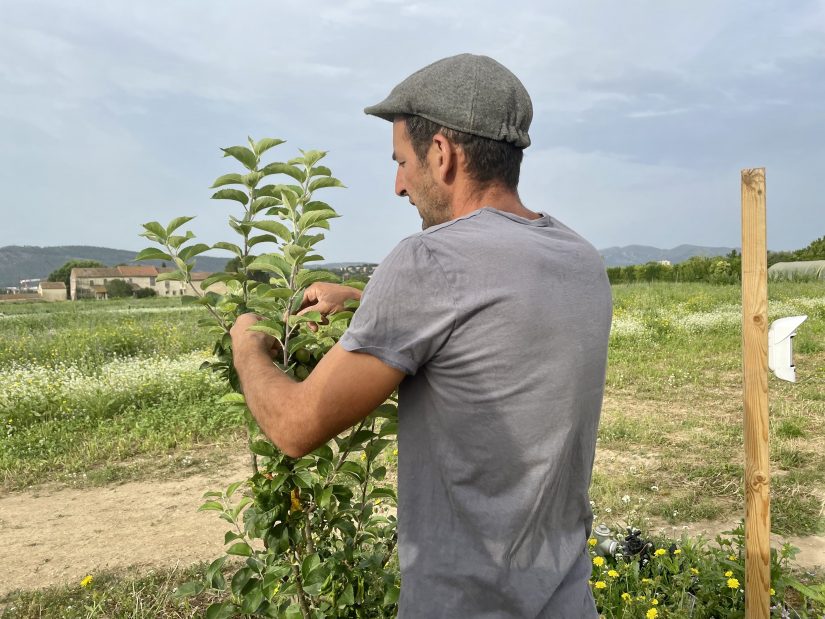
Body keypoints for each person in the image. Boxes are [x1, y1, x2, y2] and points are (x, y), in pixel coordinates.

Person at [230, 53, 612, 618]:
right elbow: (488, 319)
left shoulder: (427, 261)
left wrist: (247, 344)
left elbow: (294, 426)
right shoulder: (579, 257)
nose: (398, 185)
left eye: (402, 162)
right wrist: (362, 300)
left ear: (443, 153)